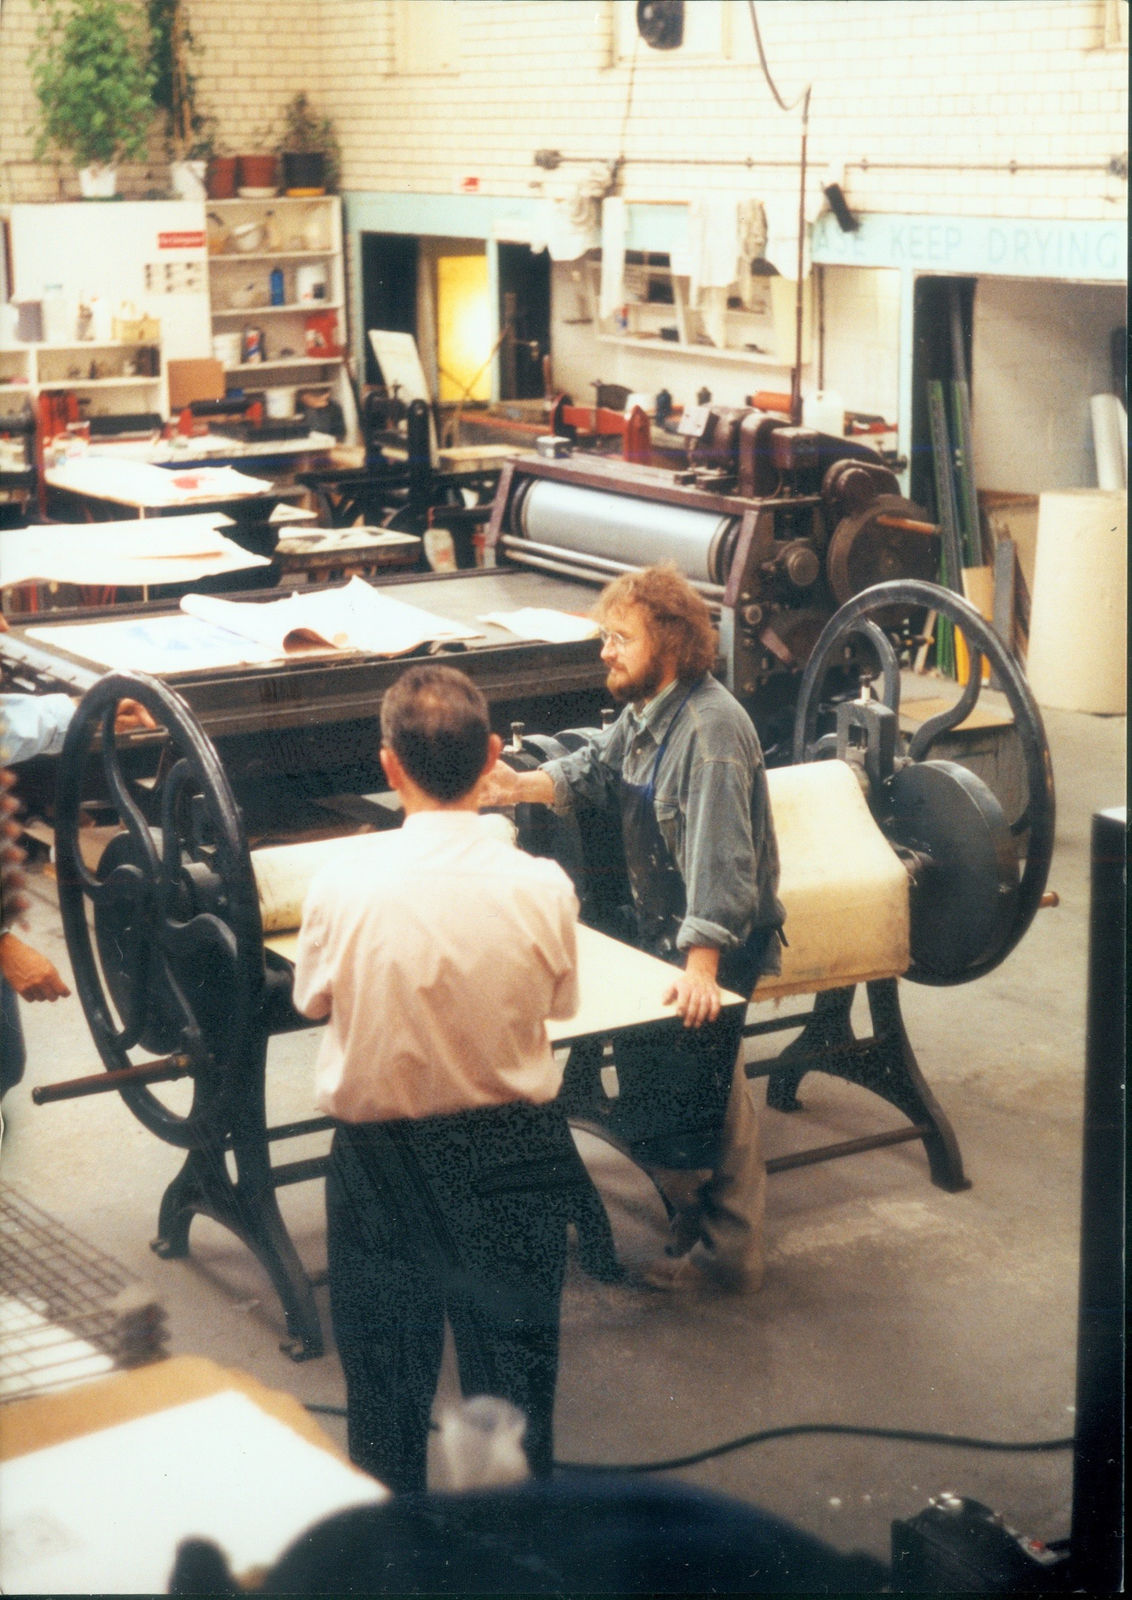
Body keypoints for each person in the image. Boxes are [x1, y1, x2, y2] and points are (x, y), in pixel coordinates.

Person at [292, 664, 583, 1495]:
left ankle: (393, 1566)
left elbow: (313, 1000)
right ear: (493, 757)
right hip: (514, 1160)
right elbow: (560, 1005)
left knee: (384, 1395)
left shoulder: (340, 882)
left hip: (381, 1166)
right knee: (517, 1395)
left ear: (388, 766)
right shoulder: (542, 886)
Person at [480, 563, 784, 1295]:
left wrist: (702, 968)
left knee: (701, 1093)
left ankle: (725, 1255)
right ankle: (711, 1236)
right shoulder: (651, 714)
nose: (605, 653)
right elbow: (591, 768)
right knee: (702, 1088)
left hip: (717, 939)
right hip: (669, 928)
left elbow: (723, 867)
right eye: (605, 637)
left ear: (671, 645)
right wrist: (515, 786)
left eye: (620, 639)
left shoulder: (707, 734)